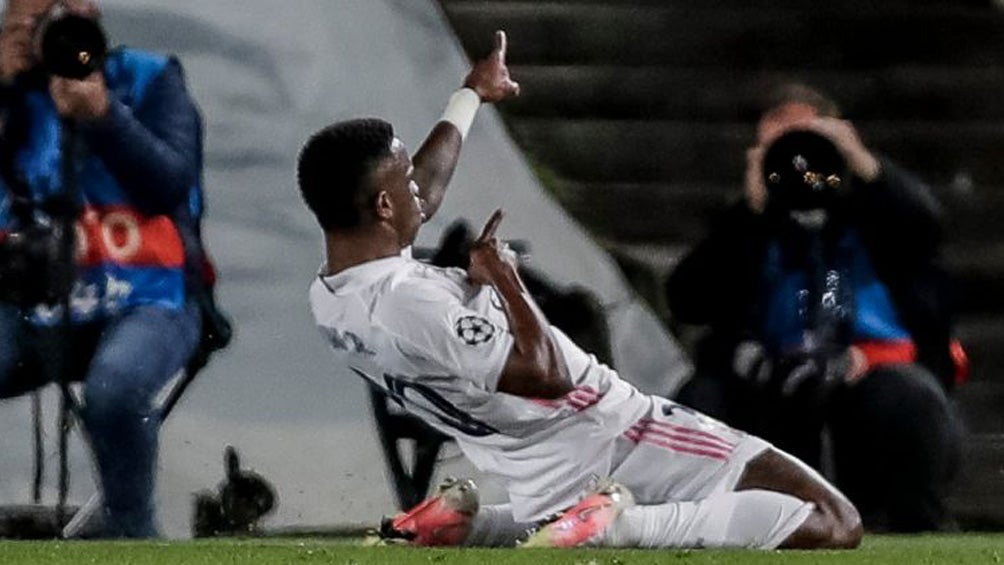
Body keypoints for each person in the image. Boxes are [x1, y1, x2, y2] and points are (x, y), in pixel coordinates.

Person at [297, 34, 861, 550]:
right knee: (831, 518)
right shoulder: (408, 302)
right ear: (384, 207)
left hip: (533, 464)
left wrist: (469, 96)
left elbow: (423, 193)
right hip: (612, 427)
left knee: (697, 508)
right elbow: (548, 375)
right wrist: (505, 281)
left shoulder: (333, 297)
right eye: (405, 182)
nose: (420, 186)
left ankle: (471, 525)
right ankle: (617, 524)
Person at [665, 83, 964, 532]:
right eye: (782, 145)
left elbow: (926, 228)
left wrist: (861, 164)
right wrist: (749, 214)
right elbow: (689, 298)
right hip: (766, 378)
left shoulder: (881, 215)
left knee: (907, 398)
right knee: (700, 402)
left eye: (809, 141)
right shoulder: (749, 224)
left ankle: (913, 525)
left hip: (871, 374)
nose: (799, 163)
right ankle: (706, 527)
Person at [0, 0, 221, 538]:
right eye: (30, 21)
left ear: (87, 10)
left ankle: (133, 536)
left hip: (153, 296)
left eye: (58, 13)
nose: (49, 31)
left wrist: (104, 116)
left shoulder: (147, 78)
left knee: (116, 387)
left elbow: (171, 184)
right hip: (29, 302)